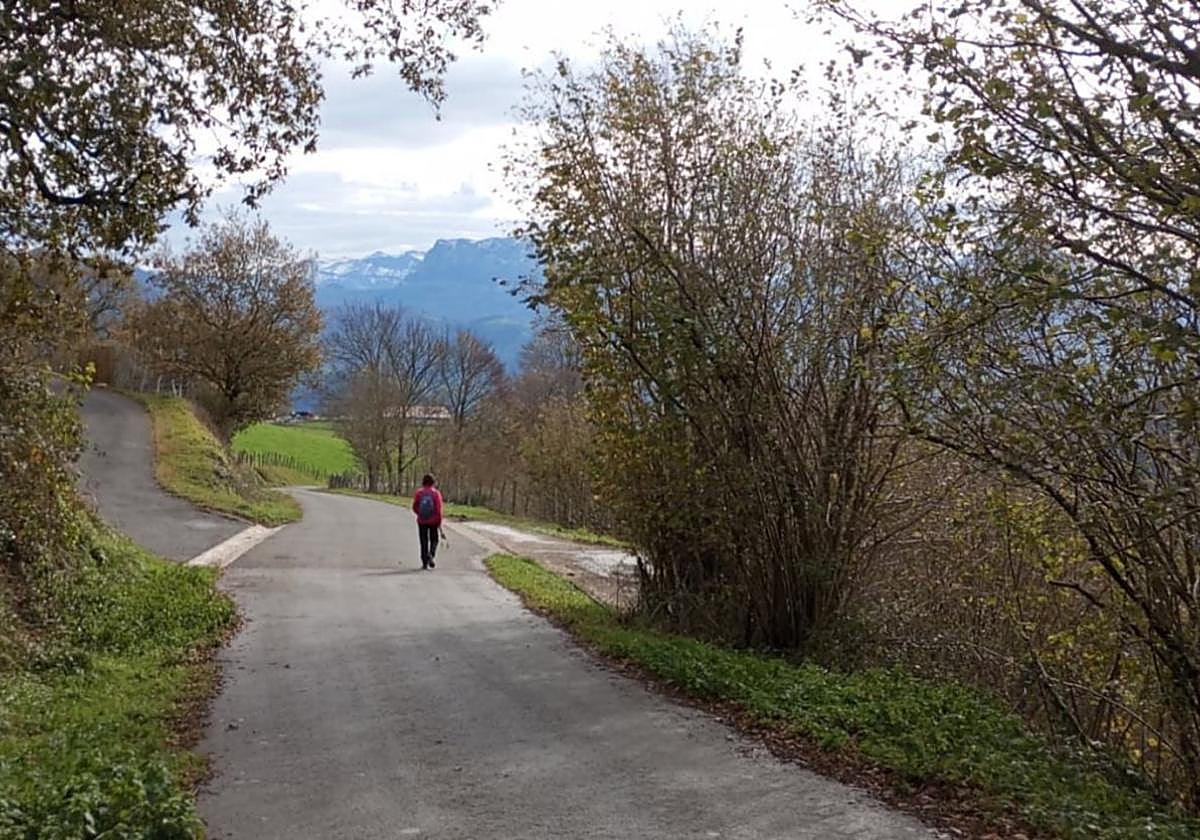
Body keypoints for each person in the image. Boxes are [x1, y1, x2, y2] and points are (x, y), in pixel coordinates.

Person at [411, 474, 444, 570]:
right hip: (433, 521)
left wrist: (420, 514)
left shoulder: (419, 493)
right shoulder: (436, 493)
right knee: (434, 539)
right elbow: (438, 509)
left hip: (422, 521)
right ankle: (431, 554)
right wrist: (439, 521)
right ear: (433, 482)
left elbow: (414, 506)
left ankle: (424, 562)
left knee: (423, 541)